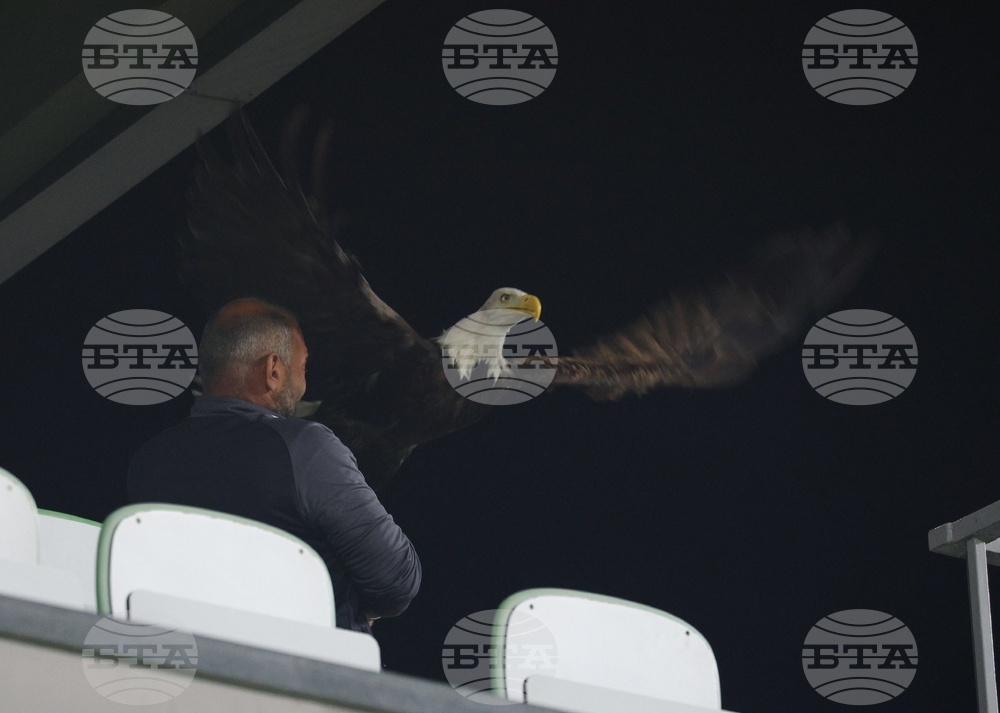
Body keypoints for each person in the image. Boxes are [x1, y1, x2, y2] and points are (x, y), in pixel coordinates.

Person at [127, 297, 421, 633]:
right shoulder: (307, 449)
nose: (303, 385)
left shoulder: (147, 463)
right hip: (309, 673)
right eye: (303, 367)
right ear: (273, 370)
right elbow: (397, 581)